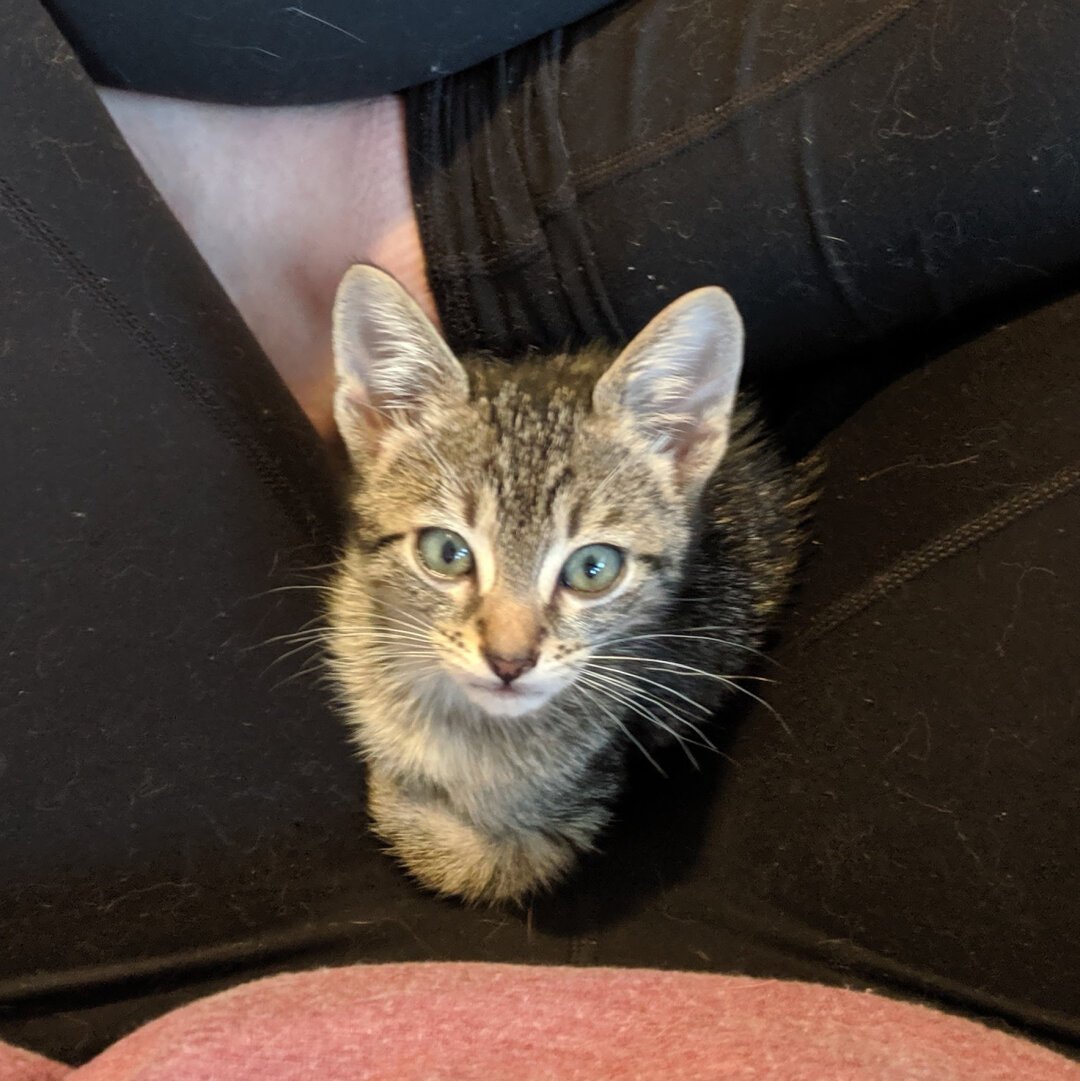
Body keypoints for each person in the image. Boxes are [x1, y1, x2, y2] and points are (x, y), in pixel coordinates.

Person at [2, 0, 1078, 1065]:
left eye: (589, 568)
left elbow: (524, 847)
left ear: (681, 448)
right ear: (371, 419)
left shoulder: (599, 667)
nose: (509, 641)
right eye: (448, 553)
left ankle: (296, 189)